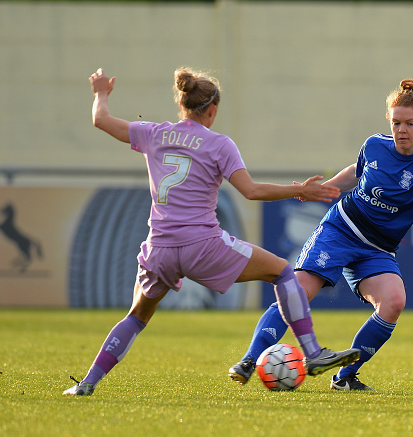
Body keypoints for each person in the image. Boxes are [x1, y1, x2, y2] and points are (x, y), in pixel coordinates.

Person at [63, 67, 360, 396]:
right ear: (213, 109)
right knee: (282, 271)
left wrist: (101, 93)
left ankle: (87, 384)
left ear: (182, 104)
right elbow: (251, 191)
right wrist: (299, 191)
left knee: (135, 318)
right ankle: (314, 353)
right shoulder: (220, 144)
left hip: (159, 249)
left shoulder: (154, 133)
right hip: (202, 245)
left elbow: (101, 120)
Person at [229, 71, 413, 391]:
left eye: (409, 124)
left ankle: (345, 377)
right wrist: (324, 189)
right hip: (341, 230)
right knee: (298, 291)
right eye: (396, 123)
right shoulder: (375, 146)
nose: (401, 130)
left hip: (378, 249)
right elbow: (356, 172)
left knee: (394, 302)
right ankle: (250, 360)